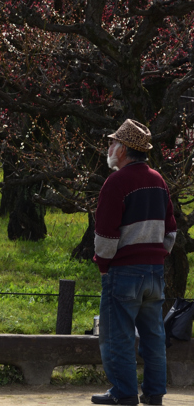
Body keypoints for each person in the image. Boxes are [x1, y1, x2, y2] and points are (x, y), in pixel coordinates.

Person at [91, 119, 175, 406]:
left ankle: (123, 393)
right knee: (154, 337)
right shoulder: (158, 180)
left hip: (124, 271)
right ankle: (154, 394)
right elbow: (171, 231)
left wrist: (104, 264)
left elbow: (105, 235)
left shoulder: (116, 183)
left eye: (113, 143)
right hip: (154, 272)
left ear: (124, 149)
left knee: (118, 336)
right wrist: (156, 255)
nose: (110, 147)